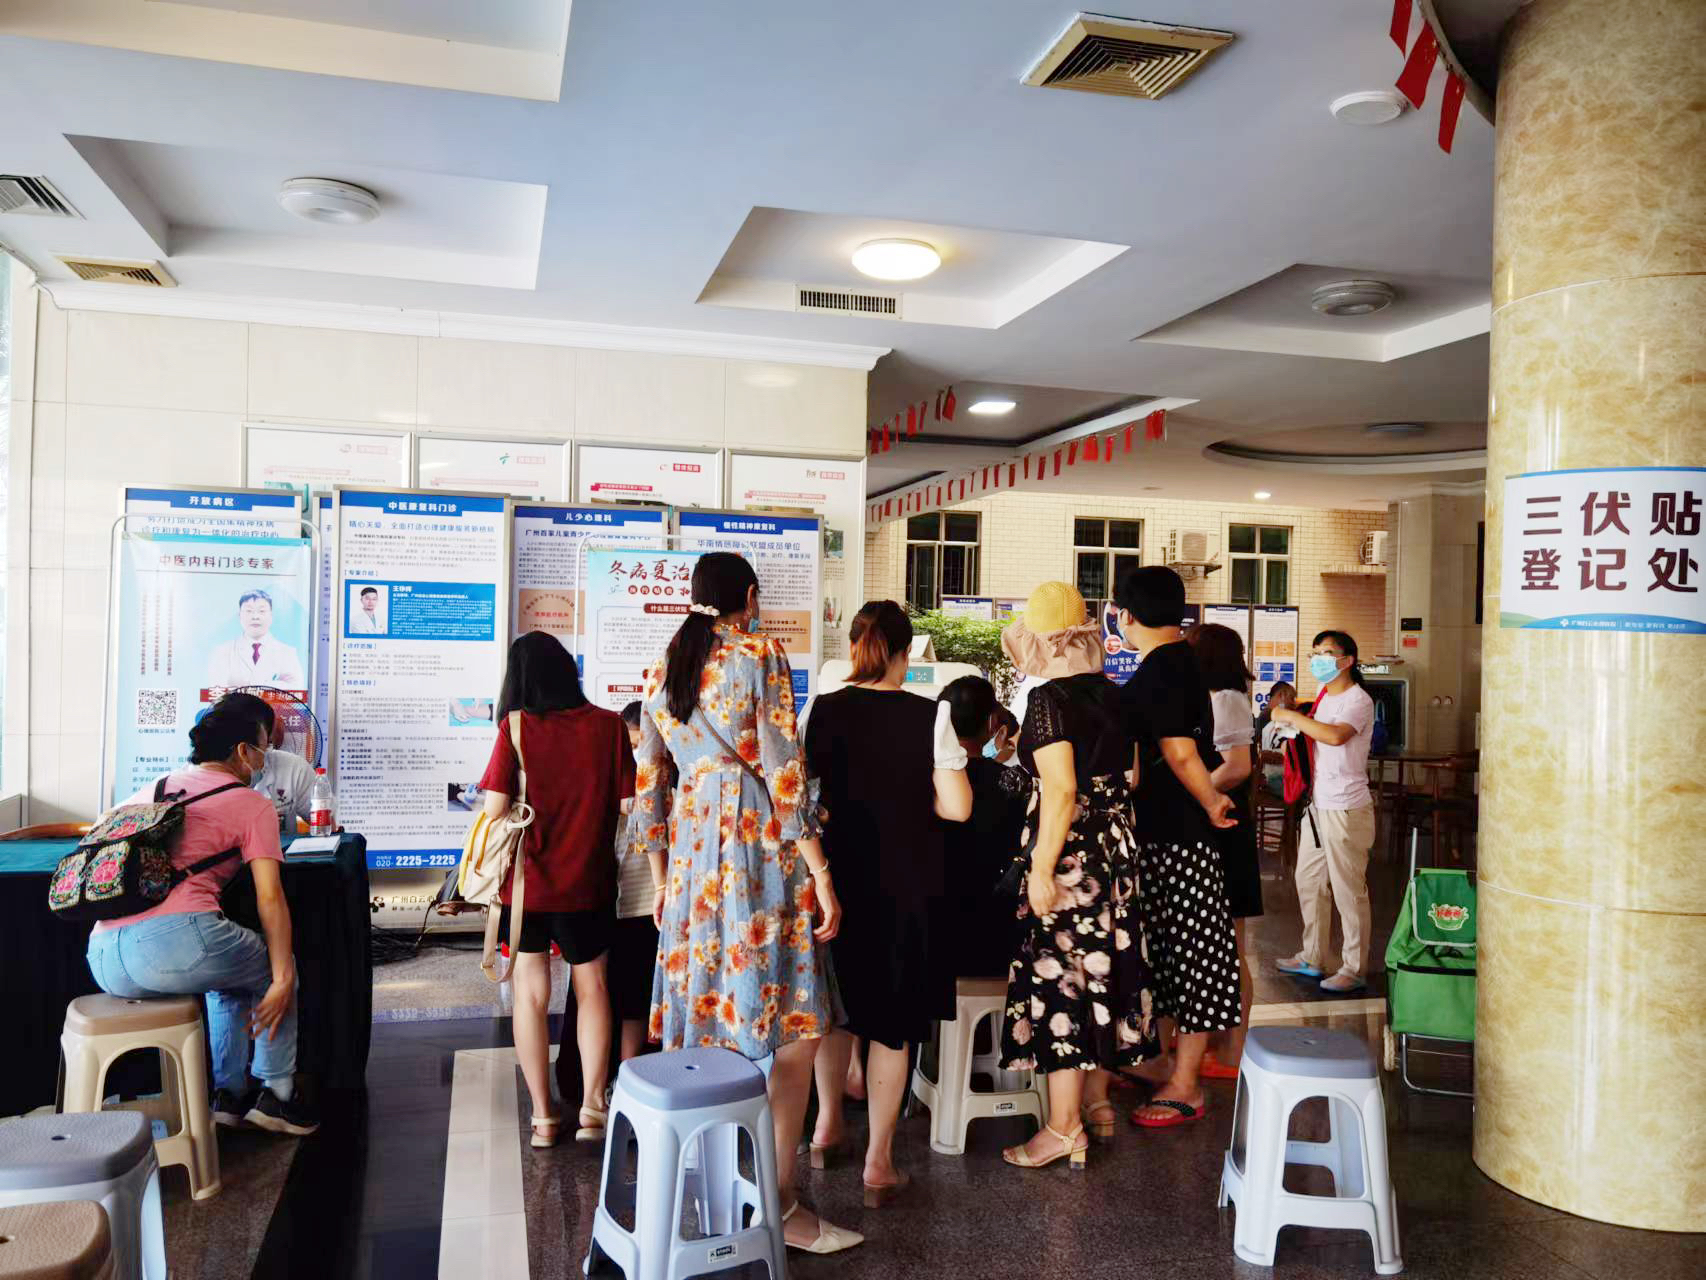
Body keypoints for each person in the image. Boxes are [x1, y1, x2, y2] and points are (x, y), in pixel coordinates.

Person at [631, 552, 859, 1255]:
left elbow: (648, 784)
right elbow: (785, 771)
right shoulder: (759, 653)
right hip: (757, 848)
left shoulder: (663, 666)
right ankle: (778, 1201)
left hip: (692, 859)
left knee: (708, 1024)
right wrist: (821, 870)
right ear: (750, 597)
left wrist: (662, 878)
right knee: (795, 1026)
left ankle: (712, 1187)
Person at [85, 693, 318, 1136]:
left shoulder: (157, 787)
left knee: (227, 977)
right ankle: (277, 1093)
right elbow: (270, 898)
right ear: (244, 751)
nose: (266, 756)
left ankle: (228, 1097)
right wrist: (283, 976)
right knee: (276, 967)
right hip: (177, 944)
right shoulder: (251, 804)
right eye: (264, 745)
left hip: (104, 957)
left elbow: (100, 835)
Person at [803, 602, 972, 1206]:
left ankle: (825, 1129)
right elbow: (958, 808)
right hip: (905, 887)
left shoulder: (820, 709)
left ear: (854, 647)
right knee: (892, 1026)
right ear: (905, 654)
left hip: (835, 884)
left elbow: (803, 801)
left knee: (835, 1011)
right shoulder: (931, 715)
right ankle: (878, 1164)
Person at [997, 581, 1159, 1170]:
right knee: (1104, 974)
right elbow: (1133, 777)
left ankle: (1064, 1128)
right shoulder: (1114, 695)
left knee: (1063, 980)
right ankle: (1097, 1103)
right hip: (1117, 853)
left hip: (1071, 858)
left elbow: (1062, 789)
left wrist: (1042, 869)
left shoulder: (1048, 700)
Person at [476, 631, 634, 1149]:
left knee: (530, 994)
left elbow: (495, 809)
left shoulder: (516, 726)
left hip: (527, 886)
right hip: (589, 881)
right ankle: (591, 1107)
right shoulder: (610, 726)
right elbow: (628, 804)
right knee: (593, 989)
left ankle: (543, 1117)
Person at [1114, 566, 1240, 1129]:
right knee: (1167, 955)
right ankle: (1163, 1064)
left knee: (1194, 957)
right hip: (1165, 832)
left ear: (1125, 615)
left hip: (1180, 834)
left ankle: (1186, 1084)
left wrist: (1211, 802)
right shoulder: (1174, 660)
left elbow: (1180, 750)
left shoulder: (1165, 665)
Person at [1269, 631, 1378, 994]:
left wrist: (1292, 717)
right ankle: (1313, 955)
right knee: (1309, 880)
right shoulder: (1323, 696)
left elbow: (1335, 736)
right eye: (1315, 653)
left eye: (1327, 653)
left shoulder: (1358, 700)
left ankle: (1354, 967)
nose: (1319, 659)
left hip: (1347, 808)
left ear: (1347, 660)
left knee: (1349, 890)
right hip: (1318, 805)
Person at [1188, 623, 1262, 1076]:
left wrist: (1196, 794)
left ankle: (1235, 1049)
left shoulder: (1228, 699)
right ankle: (1219, 1042)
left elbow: (1237, 766)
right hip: (1214, 823)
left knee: (1231, 943)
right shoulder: (1211, 698)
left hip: (1226, 825)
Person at [938, 675, 1030, 980]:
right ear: (992, 723)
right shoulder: (1015, 782)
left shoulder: (927, 781)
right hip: (998, 920)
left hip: (940, 922)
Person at [610, 700, 659, 1063]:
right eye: (631, 744)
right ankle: (625, 1068)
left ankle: (629, 1067)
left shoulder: (665, 774)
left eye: (642, 743)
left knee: (637, 995)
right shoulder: (611, 774)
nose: (637, 753)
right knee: (628, 994)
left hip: (647, 901)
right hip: (622, 899)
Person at [205, 588, 305, 689]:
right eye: (249, 611)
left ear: (271, 616)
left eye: (261, 611)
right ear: (239, 616)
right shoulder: (222, 652)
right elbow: (216, 689)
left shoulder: (287, 653)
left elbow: (295, 689)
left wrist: (259, 686)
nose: (255, 617)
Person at [1257, 681, 1298, 794]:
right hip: (1280, 779)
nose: (1294, 703)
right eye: (1292, 698)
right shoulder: (1273, 718)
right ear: (1281, 695)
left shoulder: (1265, 716)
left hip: (1269, 776)